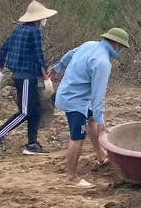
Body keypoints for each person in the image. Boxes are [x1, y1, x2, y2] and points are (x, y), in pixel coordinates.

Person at [51, 28, 130, 188]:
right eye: (120, 47)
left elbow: (70, 54)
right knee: (77, 138)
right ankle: (71, 177)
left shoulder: (89, 44)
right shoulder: (102, 62)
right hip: (75, 101)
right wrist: (102, 121)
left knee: (91, 118)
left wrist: (58, 67)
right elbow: (97, 96)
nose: (120, 50)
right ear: (115, 44)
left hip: (70, 92)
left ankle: (101, 156)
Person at [0, 0, 57, 157]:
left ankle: (32, 145)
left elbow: (4, 48)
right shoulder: (35, 32)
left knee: (35, 110)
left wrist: (0, 70)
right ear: (38, 19)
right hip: (27, 77)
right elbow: (39, 55)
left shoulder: (17, 30)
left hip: (20, 76)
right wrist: (46, 78)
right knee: (25, 112)